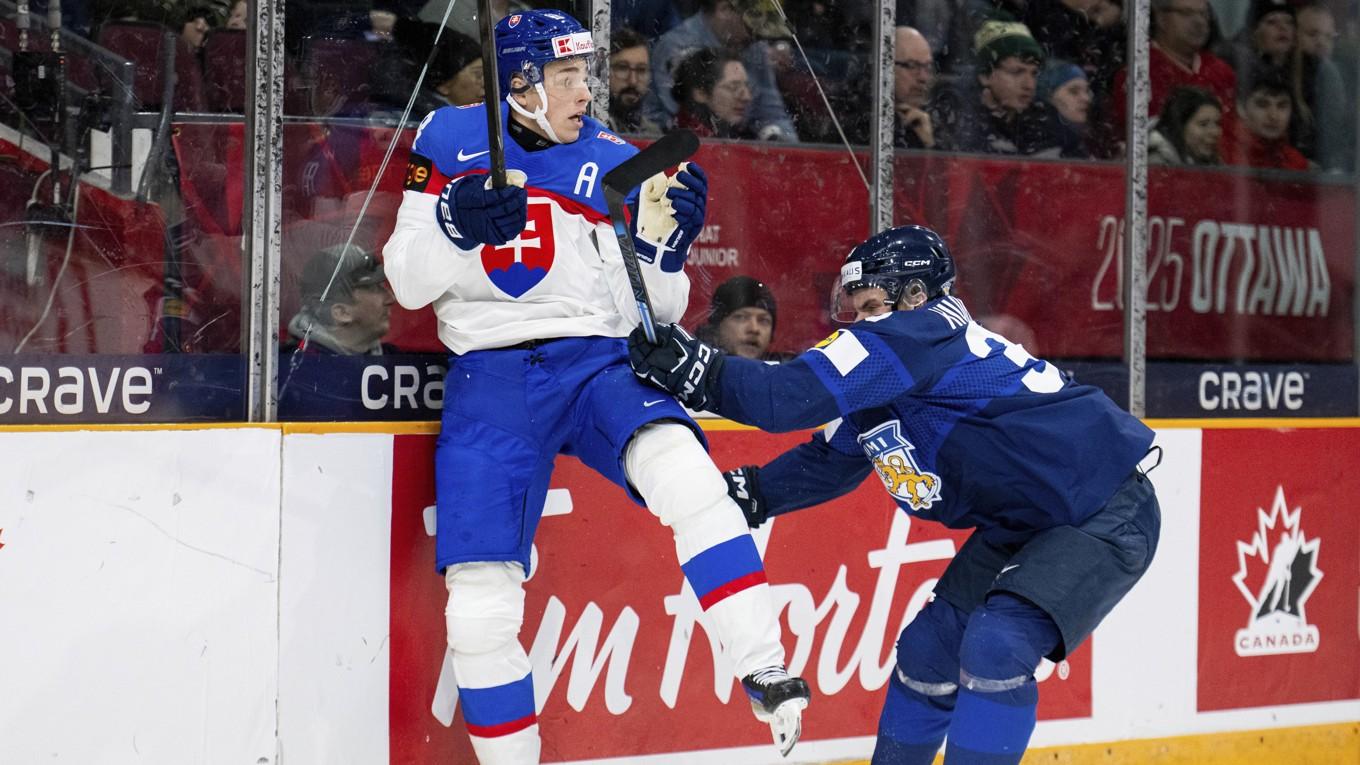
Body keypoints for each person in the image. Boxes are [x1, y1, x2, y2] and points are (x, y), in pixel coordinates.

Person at [380, 11, 809, 764]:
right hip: (491, 378)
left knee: (689, 475)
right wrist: (454, 224)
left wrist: (662, 251)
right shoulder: (446, 139)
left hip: (598, 365)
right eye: (569, 75)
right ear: (520, 84)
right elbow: (407, 282)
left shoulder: (614, 157)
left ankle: (762, 663)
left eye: (587, 72)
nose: (588, 89)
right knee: (479, 608)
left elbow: (655, 308)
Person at [626, 224, 1161, 765]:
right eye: (852, 309)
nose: (859, 322)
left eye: (872, 305)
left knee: (997, 645)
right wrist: (757, 492)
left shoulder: (921, 334)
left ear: (915, 296)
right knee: (927, 654)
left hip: (1102, 507)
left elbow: (785, 399)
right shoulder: (894, 364)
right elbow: (835, 461)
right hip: (1028, 521)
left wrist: (697, 369)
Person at [932, 18, 1085, 158]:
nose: (1029, 85)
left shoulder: (1049, 124)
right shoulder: (957, 120)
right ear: (985, 76)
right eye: (1017, 72)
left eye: (1034, 74)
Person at [646, 0, 799, 141]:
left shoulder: (755, 46)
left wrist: (790, 152)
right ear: (724, 8)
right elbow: (681, 114)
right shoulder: (676, 46)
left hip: (736, 141)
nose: (760, 29)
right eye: (754, 18)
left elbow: (771, 112)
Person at [1108, 0, 1236, 141]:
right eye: (1186, 13)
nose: (1199, 21)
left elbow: (1234, 135)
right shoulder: (1139, 72)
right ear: (1161, 18)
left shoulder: (1222, 71)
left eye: (1204, 14)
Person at [284, 244, 397, 355]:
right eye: (374, 288)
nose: (391, 299)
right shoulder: (290, 366)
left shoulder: (398, 360)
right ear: (341, 312)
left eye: (382, 286)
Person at [1222, 65, 1310, 171]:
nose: (1273, 116)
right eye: (1262, 104)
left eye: (1282, 106)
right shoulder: (1221, 155)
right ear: (1241, 108)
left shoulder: (1296, 163)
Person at [695, 275, 786, 361]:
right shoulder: (692, 369)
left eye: (763, 320)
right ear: (717, 327)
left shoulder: (784, 372)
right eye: (741, 317)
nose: (754, 329)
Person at [671, 49, 758, 139]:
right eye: (734, 87)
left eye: (747, 87)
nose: (747, 97)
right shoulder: (686, 145)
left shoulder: (740, 134)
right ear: (701, 93)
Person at [607, 27, 663, 135]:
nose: (633, 81)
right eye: (622, 68)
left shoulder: (652, 134)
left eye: (641, 70)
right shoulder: (589, 130)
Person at [1148, 85, 1222, 164]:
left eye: (1217, 123)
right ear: (1179, 126)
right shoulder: (1157, 164)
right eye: (1203, 124)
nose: (1215, 132)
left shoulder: (1210, 163)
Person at [894, 26, 937, 149]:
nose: (923, 78)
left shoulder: (936, 119)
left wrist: (930, 145)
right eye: (912, 66)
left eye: (928, 67)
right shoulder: (859, 120)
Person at [1038, 58, 1093, 150]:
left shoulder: (1080, 140)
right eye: (1074, 91)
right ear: (1050, 97)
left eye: (1086, 91)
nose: (1086, 98)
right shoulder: (1047, 146)